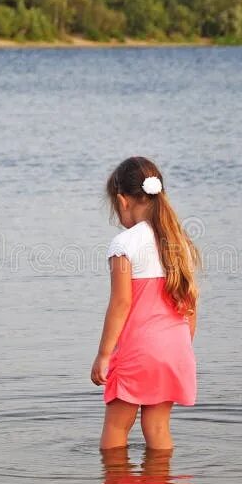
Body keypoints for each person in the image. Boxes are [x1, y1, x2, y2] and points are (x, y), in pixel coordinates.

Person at [91, 156, 201, 450]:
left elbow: (121, 303)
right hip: (175, 350)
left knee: (116, 429)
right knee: (158, 428)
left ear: (122, 200)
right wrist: (182, 345)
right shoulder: (180, 243)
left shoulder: (124, 244)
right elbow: (190, 305)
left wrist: (103, 355)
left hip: (139, 351)